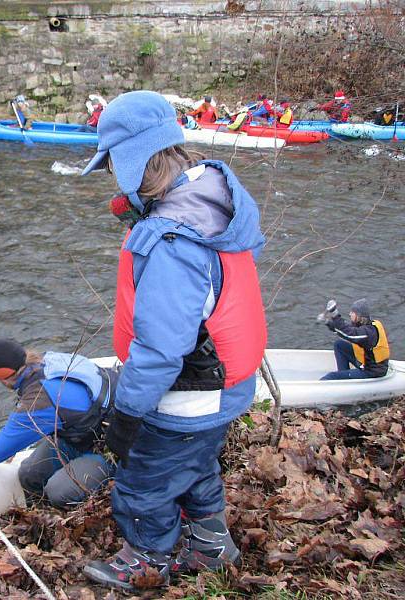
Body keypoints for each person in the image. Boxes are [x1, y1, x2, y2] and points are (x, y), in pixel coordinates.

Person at [79, 91, 267, 590]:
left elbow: (162, 347)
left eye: (114, 166)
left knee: (145, 482)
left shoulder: (169, 240)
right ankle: (209, 543)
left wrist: (129, 413)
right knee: (196, 464)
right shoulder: (210, 201)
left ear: (134, 161)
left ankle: (146, 558)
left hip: (186, 395)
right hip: (225, 390)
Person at [0, 339, 119, 508]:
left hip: (112, 447)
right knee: (29, 474)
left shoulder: (39, 398)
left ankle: (93, 500)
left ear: (0, 376)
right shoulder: (48, 359)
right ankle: (44, 518)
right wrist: (15, 441)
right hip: (84, 434)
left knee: (58, 491)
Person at [320, 299, 389, 380]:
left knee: (331, 376)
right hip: (366, 362)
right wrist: (328, 323)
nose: (350, 314)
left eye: (352, 312)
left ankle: (340, 379)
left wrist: (335, 315)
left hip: (372, 371)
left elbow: (350, 334)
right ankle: (344, 378)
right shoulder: (363, 325)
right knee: (339, 345)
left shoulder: (368, 332)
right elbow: (345, 331)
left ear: (359, 316)